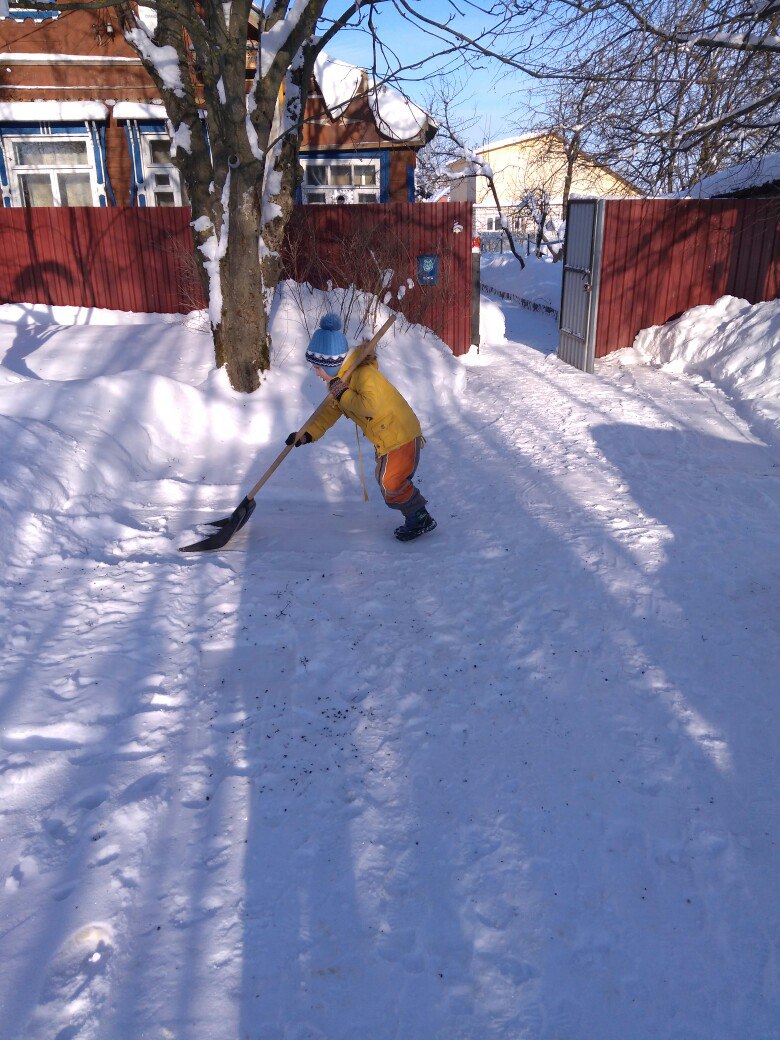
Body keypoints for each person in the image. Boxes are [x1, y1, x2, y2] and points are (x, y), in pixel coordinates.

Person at [286, 313, 436, 542]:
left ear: (332, 363)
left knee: (391, 484)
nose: (316, 373)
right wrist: (307, 434)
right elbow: (328, 413)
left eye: (318, 367)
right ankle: (416, 513)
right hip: (388, 439)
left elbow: (370, 406)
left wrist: (343, 393)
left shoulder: (364, 375)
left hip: (400, 434)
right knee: (389, 482)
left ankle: (420, 516)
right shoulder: (340, 384)